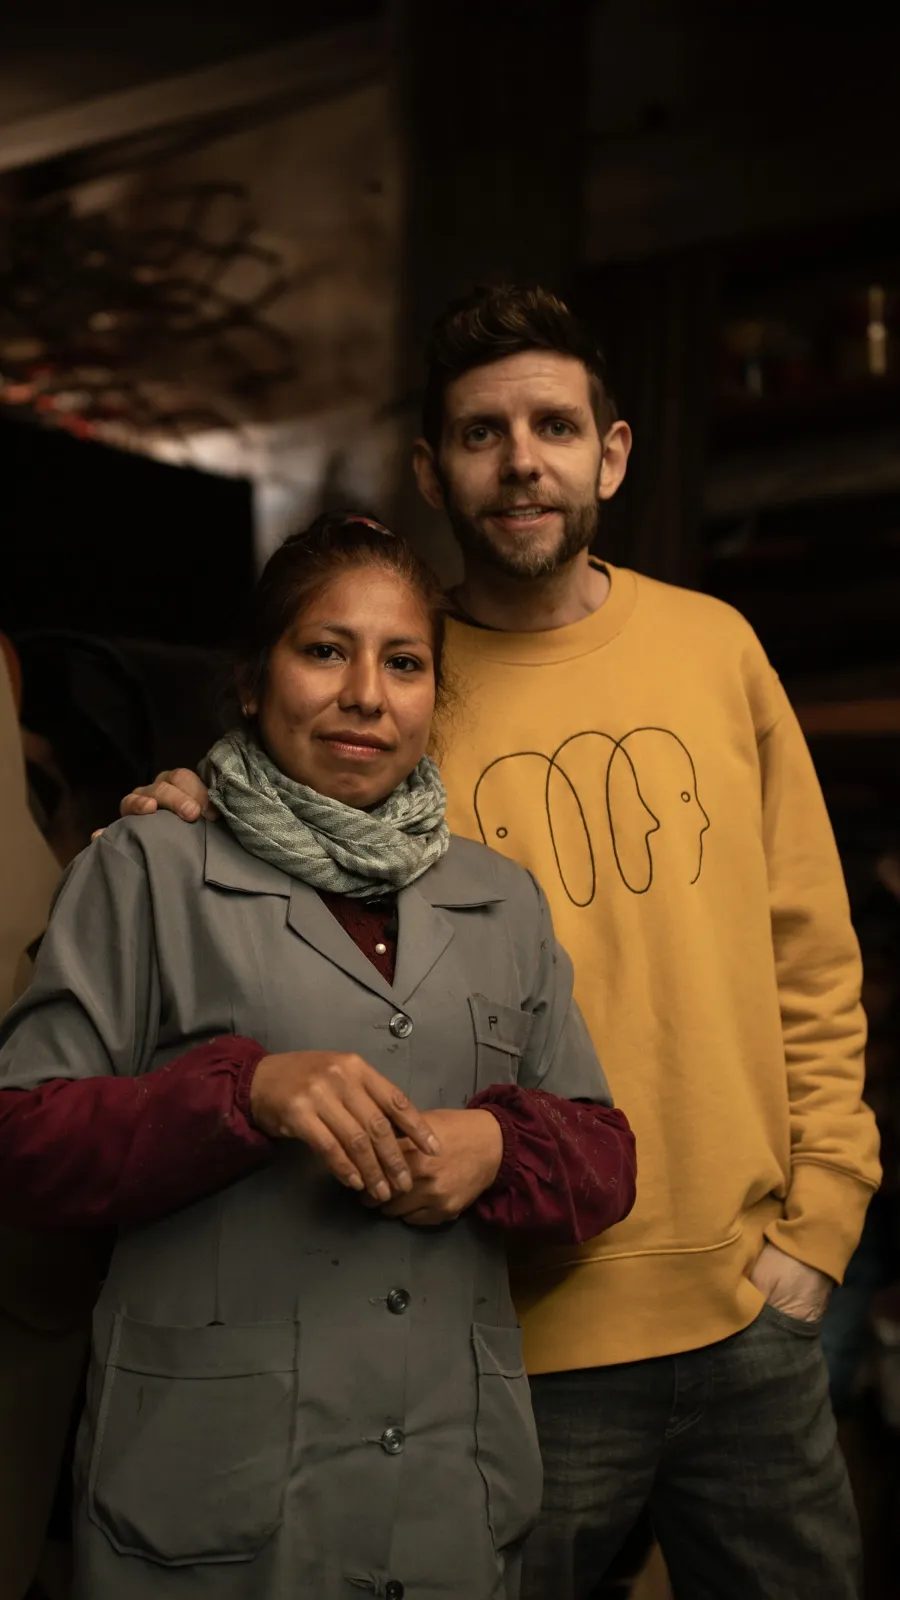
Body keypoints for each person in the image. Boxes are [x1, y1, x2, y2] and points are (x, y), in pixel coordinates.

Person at [131, 286, 881, 1600]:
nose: (521, 461)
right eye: (483, 434)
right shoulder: (396, 682)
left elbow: (811, 958)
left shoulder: (717, 648)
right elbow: (272, 832)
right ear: (433, 471)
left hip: (746, 1313)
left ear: (613, 454)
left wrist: (819, 1226)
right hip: (500, 1331)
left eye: (554, 426)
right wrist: (191, 799)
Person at [0, 513, 636, 1600]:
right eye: (325, 650)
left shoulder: (502, 899)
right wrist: (246, 1094)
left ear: (434, 696)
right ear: (254, 682)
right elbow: (23, 1139)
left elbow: (604, 1156)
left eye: (404, 662)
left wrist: (499, 1146)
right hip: (212, 1491)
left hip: (446, 1491)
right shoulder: (148, 866)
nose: (366, 695)